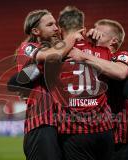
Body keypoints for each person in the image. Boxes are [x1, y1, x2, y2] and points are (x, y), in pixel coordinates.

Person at [8, 9, 82, 160]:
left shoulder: (61, 48)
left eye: (56, 24)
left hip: (63, 124)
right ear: (36, 31)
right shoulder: (27, 48)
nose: (56, 28)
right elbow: (53, 56)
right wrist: (73, 36)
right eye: (50, 25)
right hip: (42, 125)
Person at [52, 6, 114, 160]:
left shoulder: (54, 56)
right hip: (104, 130)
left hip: (74, 133)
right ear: (83, 29)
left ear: (60, 30)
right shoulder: (103, 51)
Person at [72, 19, 128, 160]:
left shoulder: (121, 56)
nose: (93, 33)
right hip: (90, 137)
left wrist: (84, 56)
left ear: (113, 41)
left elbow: (121, 72)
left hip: (121, 138)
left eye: (99, 33)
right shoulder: (82, 54)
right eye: (93, 30)